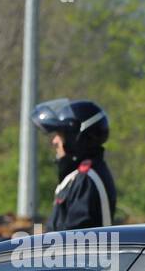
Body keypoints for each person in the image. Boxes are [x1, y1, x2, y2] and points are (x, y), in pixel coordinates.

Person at [31, 98, 115, 230]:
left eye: (60, 134)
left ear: (76, 138)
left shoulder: (87, 180)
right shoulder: (78, 178)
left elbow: (74, 241)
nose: (54, 141)